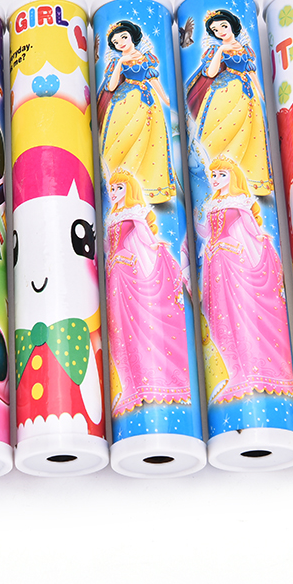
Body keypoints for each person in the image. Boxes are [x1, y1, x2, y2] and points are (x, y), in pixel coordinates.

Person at [196, 156, 293, 403]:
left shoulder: (239, 201)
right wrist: (197, 223)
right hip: (215, 264)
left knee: (239, 309)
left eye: (222, 174)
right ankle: (233, 367)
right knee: (220, 312)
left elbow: (251, 229)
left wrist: (258, 242)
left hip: (233, 262)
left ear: (233, 176)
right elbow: (207, 232)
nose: (216, 179)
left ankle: (254, 367)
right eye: (214, 175)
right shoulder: (212, 203)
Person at [104, 168, 190, 416]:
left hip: (129, 275)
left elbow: (143, 236)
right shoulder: (113, 215)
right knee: (119, 328)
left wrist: (154, 244)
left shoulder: (134, 213)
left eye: (119, 188)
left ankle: (156, 380)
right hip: (116, 276)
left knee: (138, 326)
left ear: (129, 189)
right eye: (112, 188)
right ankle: (131, 384)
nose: (114, 192)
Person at [187, 9, 272, 195]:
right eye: (215, 30)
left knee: (247, 134)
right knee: (221, 131)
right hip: (223, 93)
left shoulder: (246, 49)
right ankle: (215, 177)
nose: (220, 32)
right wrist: (220, 50)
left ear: (232, 25)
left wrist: (262, 95)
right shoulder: (216, 50)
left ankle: (244, 182)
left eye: (223, 26)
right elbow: (211, 73)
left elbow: (252, 72)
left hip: (246, 94)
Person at [100, 20, 175, 205]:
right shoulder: (116, 61)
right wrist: (120, 63)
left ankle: (149, 190)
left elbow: (153, 80)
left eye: (123, 37)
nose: (120, 43)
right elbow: (111, 86)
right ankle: (120, 188)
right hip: (125, 103)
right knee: (125, 141)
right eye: (116, 42)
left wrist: (166, 99)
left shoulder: (146, 58)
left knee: (151, 142)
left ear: (132, 36)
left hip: (148, 102)